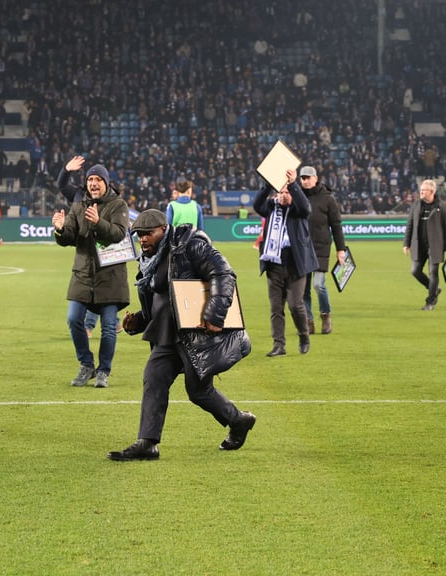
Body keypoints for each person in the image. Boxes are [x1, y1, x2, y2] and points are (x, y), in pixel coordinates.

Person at [108, 209, 255, 461]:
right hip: (167, 335)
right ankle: (147, 443)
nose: (142, 239)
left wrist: (215, 314)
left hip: (196, 336)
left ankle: (238, 420)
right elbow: (161, 300)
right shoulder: (148, 260)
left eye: (148, 233)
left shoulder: (191, 245)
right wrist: (139, 321)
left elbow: (223, 274)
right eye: (139, 235)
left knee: (198, 391)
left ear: (163, 230)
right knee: (154, 377)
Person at [52, 160, 130, 388]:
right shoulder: (79, 204)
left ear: (106, 183)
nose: (93, 183)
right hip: (83, 273)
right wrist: (60, 229)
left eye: (97, 180)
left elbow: (118, 233)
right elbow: (70, 237)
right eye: (90, 180)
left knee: (108, 327)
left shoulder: (118, 205)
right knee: (73, 319)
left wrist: (98, 222)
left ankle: (103, 370)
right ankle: (86, 364)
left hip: (110, 276)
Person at [253, 168, 318, 356]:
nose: (283, 195)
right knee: (276, 308)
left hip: (296, 265)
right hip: (274, 265)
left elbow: (306, 207)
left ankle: (304, 335)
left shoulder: (298, 210)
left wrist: (293, 184)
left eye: (286, 192)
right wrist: (268, 185)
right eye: (280, 192)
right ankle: (279, 345)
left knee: (295, 305)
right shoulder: (271, 207)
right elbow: (257, 205)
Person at [299, 166, 347, 334]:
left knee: (319, 285)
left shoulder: (328, 199)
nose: (305, 181)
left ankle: (325, 315)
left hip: (321, 247)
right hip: (302, 248)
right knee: (303, 289)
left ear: (315, 178)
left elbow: (336, 225)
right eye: (302, 178)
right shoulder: (297, 197)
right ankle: (308, 321)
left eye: (308, 178)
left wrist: (340, 249)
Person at [402, 179, 446, 311]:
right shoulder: (416, 205)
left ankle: (430, 302)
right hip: (419, 245)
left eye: (423, 190)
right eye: (420, 190)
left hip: (435, 245)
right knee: (415, 271)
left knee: (433, 272)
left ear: (431, 191)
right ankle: (434, 289)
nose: (421, 192)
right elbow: (410, 225)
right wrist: (406, 243)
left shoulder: (443, 207)